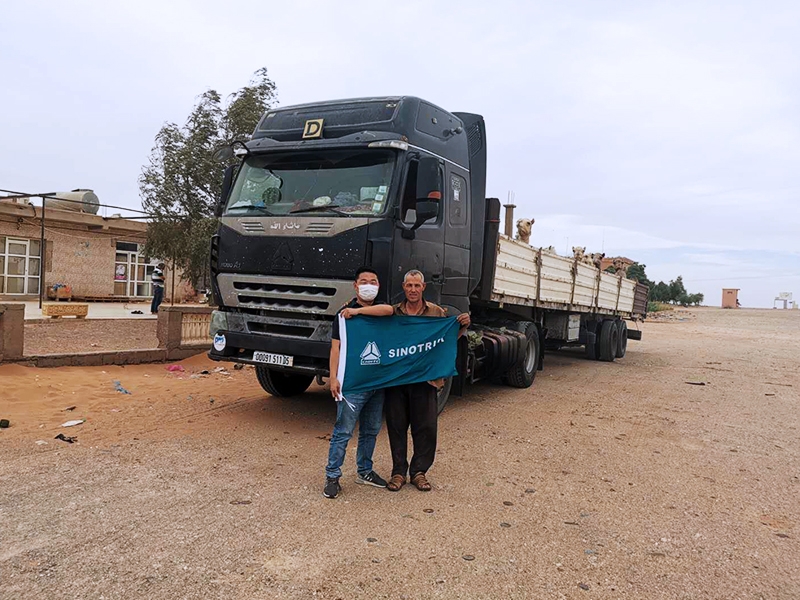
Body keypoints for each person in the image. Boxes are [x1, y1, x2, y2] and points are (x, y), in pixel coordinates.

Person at [385, 269, 470, 492]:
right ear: (403, 287)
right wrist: (352, 315)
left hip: (426, 380)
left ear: (423, 287)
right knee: (396, 426)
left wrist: (463, 325)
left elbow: (446, 339)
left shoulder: (436, 312)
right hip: (397, 380)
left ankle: (419, 472)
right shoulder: (393, 313)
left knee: (427, 427)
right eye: (409, 285)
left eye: (417, 286)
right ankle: (398, 472)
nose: (413, 290)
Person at [324, 266, 394, 499]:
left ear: (378, 286)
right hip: (352, 385)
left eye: (373, 281)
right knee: (343, 431)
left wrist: (359, 313)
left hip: (377, 383)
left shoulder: (377, 310)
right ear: (355, 286)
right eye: (363, 281)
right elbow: (336, 348)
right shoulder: (343, 316)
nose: (368, 285)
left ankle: (365, 471)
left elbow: (389, 310)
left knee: (371, 430)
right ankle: (332, 476)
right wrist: (333, 377)